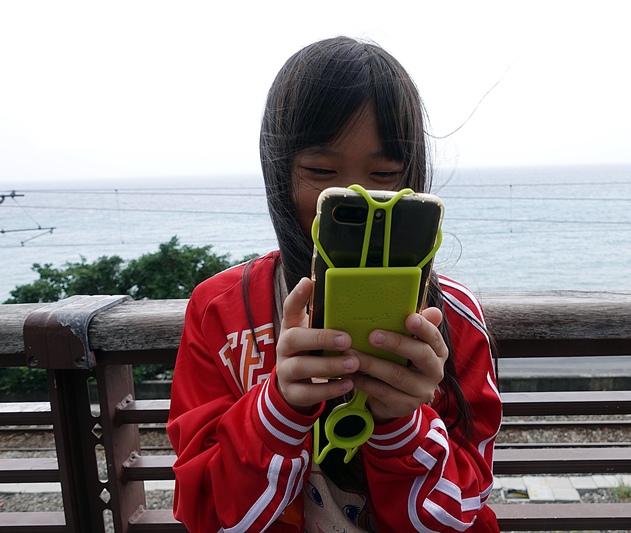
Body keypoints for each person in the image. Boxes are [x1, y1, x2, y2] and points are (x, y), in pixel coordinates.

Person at [166, 36, 502, 533]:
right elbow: (208, 515)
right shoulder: (219, 309)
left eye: (384, 174)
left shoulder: (451, 316)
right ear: (280, 175)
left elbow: (458, 512)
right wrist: (279, 408)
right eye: (321, 172)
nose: (356, 195)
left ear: (413, 178)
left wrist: (401, 424)